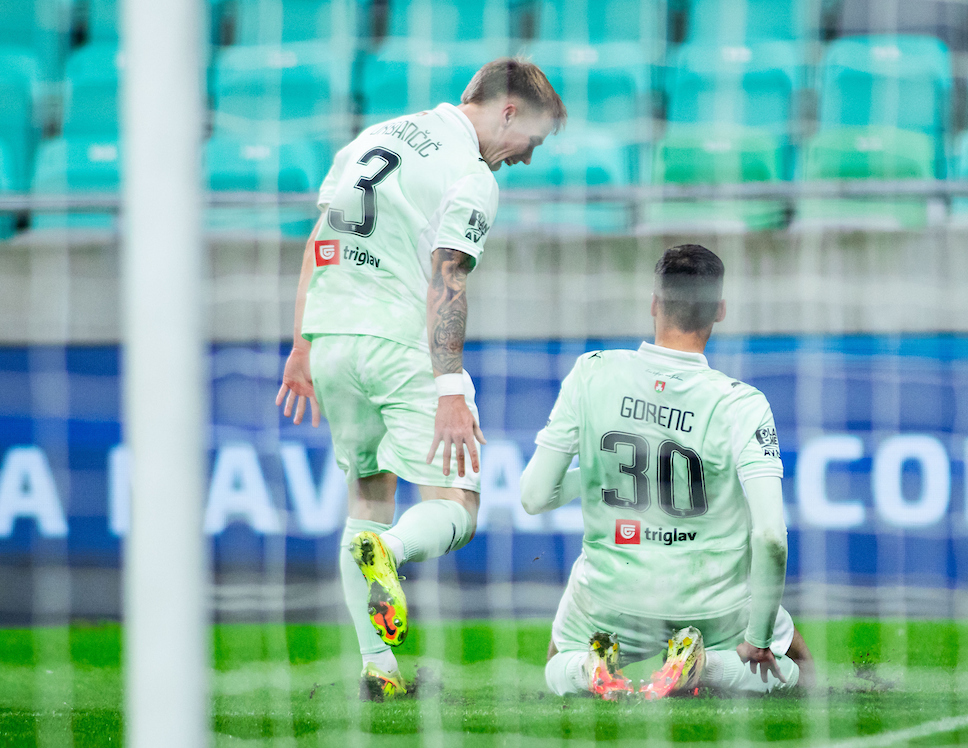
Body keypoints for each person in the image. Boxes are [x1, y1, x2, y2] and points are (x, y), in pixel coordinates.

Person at [275, 59, 566, 701]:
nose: (526, 158)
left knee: (366, 503)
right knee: (457, 507)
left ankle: (378, 669)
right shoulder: (469, 174)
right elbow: (447, 279)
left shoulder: (371, 138)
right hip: (399, 341)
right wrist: (450, 389)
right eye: (533, 140)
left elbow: (320, 241)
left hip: (332, 339)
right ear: (508, 111)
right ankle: (392, 553)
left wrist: (301, 346)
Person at [519, 244, 814, 700]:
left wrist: (598, 471)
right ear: (719, 310)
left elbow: (534, 497)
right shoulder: (741, 402)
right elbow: (771, 535)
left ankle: (587, 668)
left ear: (654, 303)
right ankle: (706, 666)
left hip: (613, 595)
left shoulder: (592, 373)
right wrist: (757, 637)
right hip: (713, 599)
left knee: (560, 656)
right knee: (801, 666)